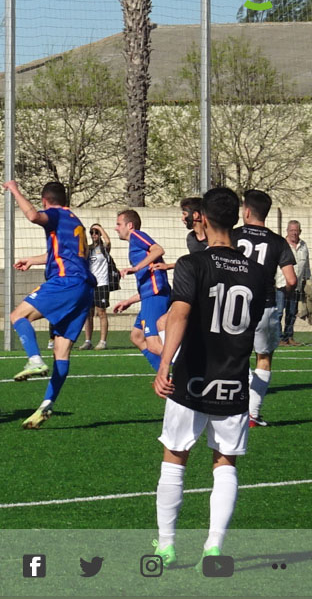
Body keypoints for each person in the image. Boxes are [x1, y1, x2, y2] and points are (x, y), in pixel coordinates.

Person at [150, 187, 269, 569]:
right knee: (225, 462)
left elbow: (180, 314)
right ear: (237, 218)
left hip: (193, 377)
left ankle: (166, 546)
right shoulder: (256, 271)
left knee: (175, 456)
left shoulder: (192, 263)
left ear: (201, 217)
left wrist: (165, 361)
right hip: (233, 377)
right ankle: (214, 546)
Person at [4, 180, 94, 429]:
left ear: (45, 200)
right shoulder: (75, 220)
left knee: (18, 316)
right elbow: (63, 253)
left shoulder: (53, 214)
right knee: (61, 352)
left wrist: (14, 189)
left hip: (65, 283)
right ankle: (46, 405)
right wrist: (33, 260)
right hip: (85, 289)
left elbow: (33, 216)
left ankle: (34, 359)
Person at [233, 189, 296, 427]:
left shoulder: (233, 234)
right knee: (264, 358)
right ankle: (253, 414)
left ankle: (233, 408)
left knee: (236, 356)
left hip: (235, 305)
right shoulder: (277, 241)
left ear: (246, 211)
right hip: (265, 305)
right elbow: (291, 280)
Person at [111, 211, 170, 372]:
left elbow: (158, 250)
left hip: (155, 297)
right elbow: (147, 283)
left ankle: (185, 368)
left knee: (153, 343)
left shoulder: (137, 235)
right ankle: (164, 374)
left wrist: (136, 267)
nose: (116, 228)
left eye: (118, 224)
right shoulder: (134, 246)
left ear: (129, 226)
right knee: (137, 337)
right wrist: (129, 301)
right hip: (149, 296)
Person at [81, 223, 112, 350]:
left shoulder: (104, 248)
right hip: (90, 284)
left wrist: (100, 228)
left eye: (96, 232)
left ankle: (102, 341)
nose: (94, 235)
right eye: (92, 232)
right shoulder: (89, 249)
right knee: (88, 313)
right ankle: (88, 341)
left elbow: (108, 241)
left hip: (102, 283)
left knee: (101, 312)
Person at [278, 220, 309, 346]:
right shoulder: (281, 244)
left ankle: (289, 337)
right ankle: (278, 338)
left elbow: (306, 265)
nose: (294, 233)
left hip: (296, 286)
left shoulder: (304, 245)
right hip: (281, 284)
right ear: (287, 231)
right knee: (279, 313)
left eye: (296, 230)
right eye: (291, 230)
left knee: (292, 313)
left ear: (300, 231)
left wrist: (307, 281)